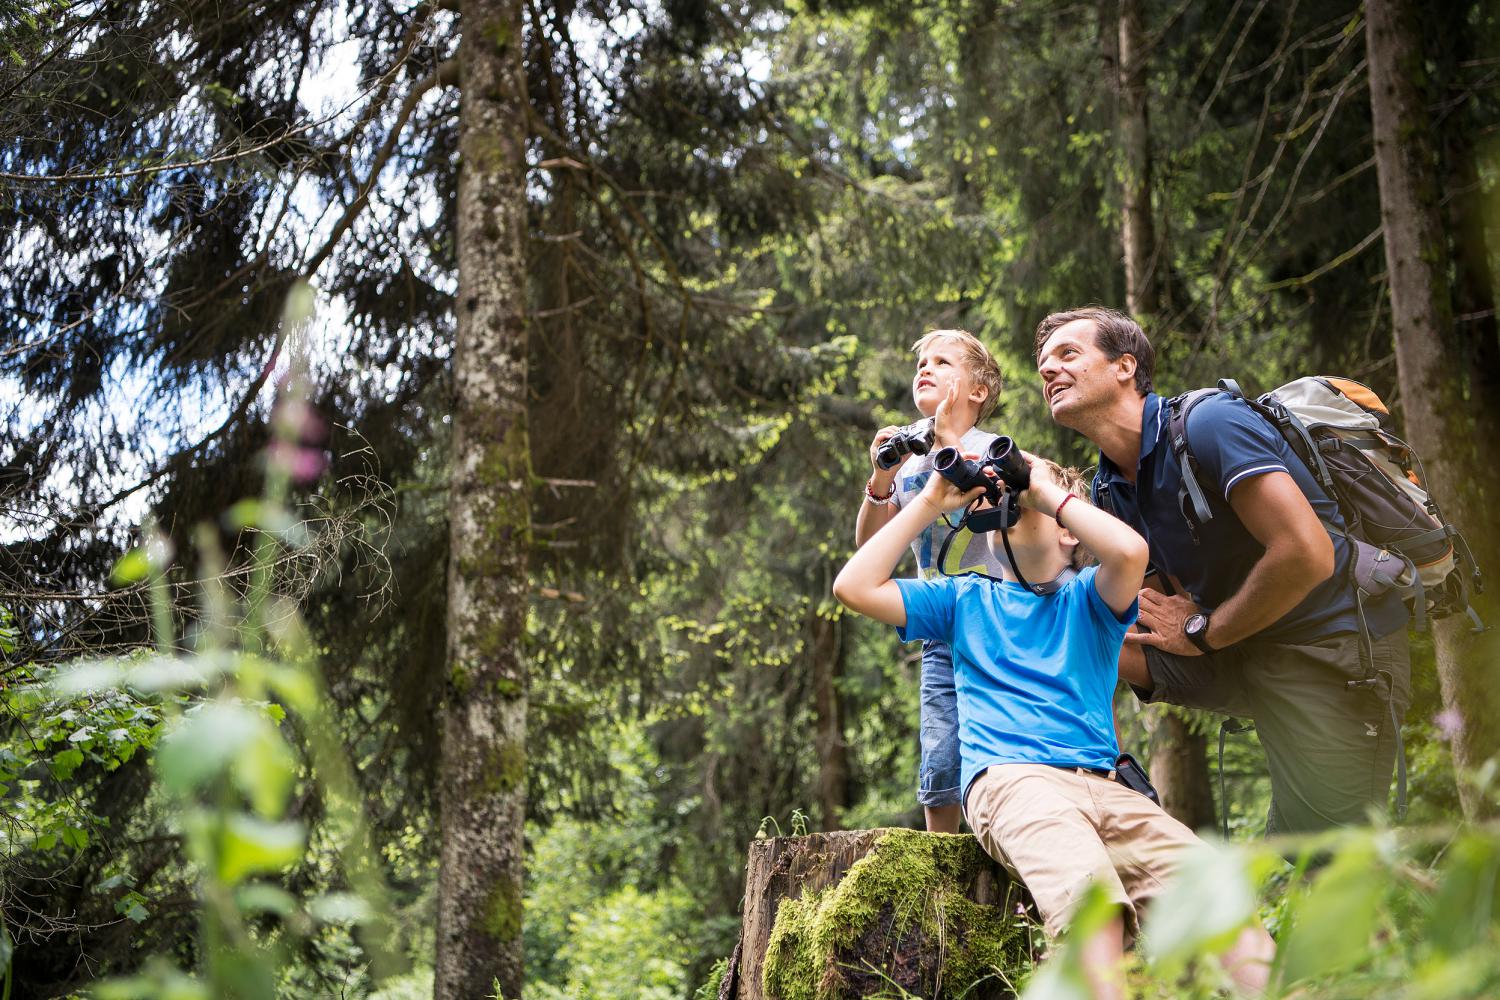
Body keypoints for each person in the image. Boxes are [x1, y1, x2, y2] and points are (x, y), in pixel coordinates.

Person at [833, 399, 1273, 998]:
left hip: (1106, 785)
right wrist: (933, 501)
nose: (1010, 505)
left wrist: (1042, 485)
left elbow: (1130, 553)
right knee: (1095, 913)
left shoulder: (1089, 599)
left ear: (1069, 529)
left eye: (1027, 503)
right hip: (1012, 780)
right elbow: (853, 586)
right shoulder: (965, 599)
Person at [1034, 306, 1412, 835]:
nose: (1049, 369)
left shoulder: (1207, 424)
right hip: (1242, 646)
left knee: (1325, 861)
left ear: (1125, 366)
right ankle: (1097, 786)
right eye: (1043, 362)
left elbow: (1308, 552)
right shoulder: (1109, 490)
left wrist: (1204, 631)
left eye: (1068, 353)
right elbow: (1151, 610)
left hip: (1331, 646)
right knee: (1077, 626)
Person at [856, 329, 1007, 834]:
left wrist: (946, 444)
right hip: (940, 628)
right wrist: (881, 479)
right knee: (940, 753)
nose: (925, 368)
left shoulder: (994, 450)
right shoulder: (907, 462)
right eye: (922, 362)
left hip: (997, 619)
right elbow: (871, 547)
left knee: (999, 745)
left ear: (978, 391)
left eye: (943, 362)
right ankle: (939, 867)